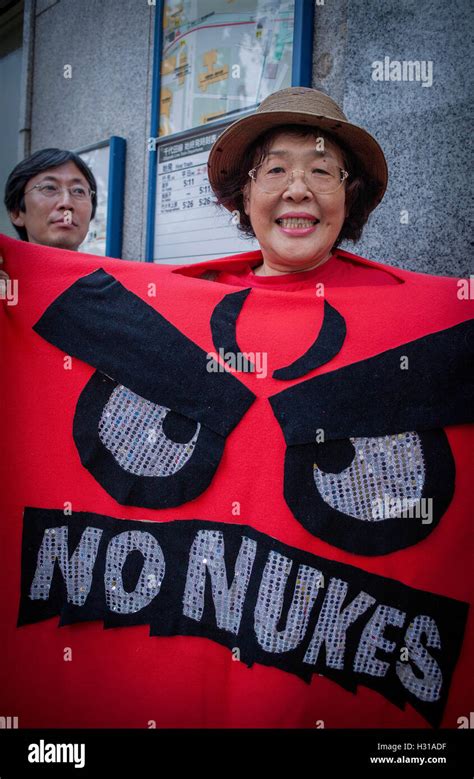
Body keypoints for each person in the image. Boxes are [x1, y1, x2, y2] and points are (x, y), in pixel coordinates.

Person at [0, 87, 472, 731]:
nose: (298, 189)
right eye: (275, 169)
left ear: (350, 194)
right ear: (243, 196)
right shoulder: (162, 303)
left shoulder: (438, 322)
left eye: (322, 170)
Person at [3, 147, 97, 252]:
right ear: (16, 213)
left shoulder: (113, 268)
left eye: (79, 191)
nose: (66, 203)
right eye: (49, 188)